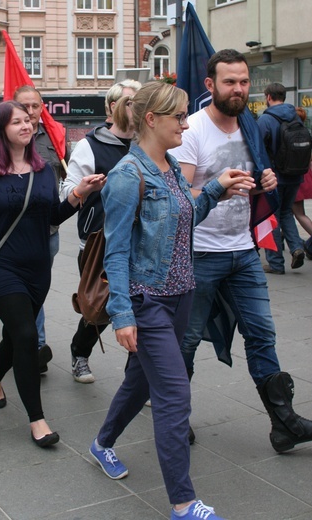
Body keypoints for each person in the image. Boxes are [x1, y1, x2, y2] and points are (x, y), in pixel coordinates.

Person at [89, 82, 254, 520]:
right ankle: (183, 503)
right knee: (175, 395)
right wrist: (122, 314)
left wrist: (217, 187)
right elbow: (116, 251)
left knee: (140, 382)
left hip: (181, 295)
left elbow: (186, 218)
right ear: (151, 120)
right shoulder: (128, 176)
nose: (186, 123)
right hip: (148, 302)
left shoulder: (170, 168)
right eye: (179, 116)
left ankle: (101, 443)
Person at [174, 49, 312, 453]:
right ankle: (175, 418)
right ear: (210, 85)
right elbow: (181, 197)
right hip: (199, 253)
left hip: (243, 249)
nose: (238, 89)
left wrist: (266, 178)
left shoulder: (250, 125)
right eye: (230, 81)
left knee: (262, 335)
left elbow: (256, 176)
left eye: (244, 81)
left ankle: (283, 423)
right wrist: (219, 187)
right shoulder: (193, 130)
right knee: (185, 341)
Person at [0, 100, 104, 446]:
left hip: (39, 268)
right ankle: (37, 420)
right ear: (0, 130)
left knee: (14, 335)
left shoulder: (43, 169)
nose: (26, 126)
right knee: (26, 334)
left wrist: (80, 194)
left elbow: (51, 217)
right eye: (17, 122)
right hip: (2, 268)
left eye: (28, 120)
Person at [0, 86, 71, 371]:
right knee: (22, 320)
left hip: (46, 237)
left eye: (34, 107)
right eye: (23, 109)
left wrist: (78, 193)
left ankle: (22, 349)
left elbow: (60, 188)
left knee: (29, 305)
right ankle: (34, 346)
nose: (30, 115)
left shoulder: (56, 138)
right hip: (7, 246)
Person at [61, 88, 138, 383]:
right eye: (133, 102)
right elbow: (67, 191)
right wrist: (85, 187)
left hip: (140, 240)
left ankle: (139, 377)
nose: (140, 107)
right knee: (101, 308)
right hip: (98, 243)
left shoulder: (146, 143)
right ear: (114, 106)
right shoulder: (89, 145)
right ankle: (79, 351)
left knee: (144, 309)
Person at [257, 83, 305, 274]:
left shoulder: (266, 119)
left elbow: (257, 147)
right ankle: (296, 247)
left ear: (268, 97)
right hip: (295, 174)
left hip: (274, 176)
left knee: (271, 217)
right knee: (286, 212)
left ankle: (276, 263)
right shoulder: (296, 117)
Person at [292, 107, 312, 255]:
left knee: (298, 213)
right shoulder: (306, 133)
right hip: (304, 174)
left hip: (293, 177)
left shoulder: (290, 133)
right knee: (292, 212)